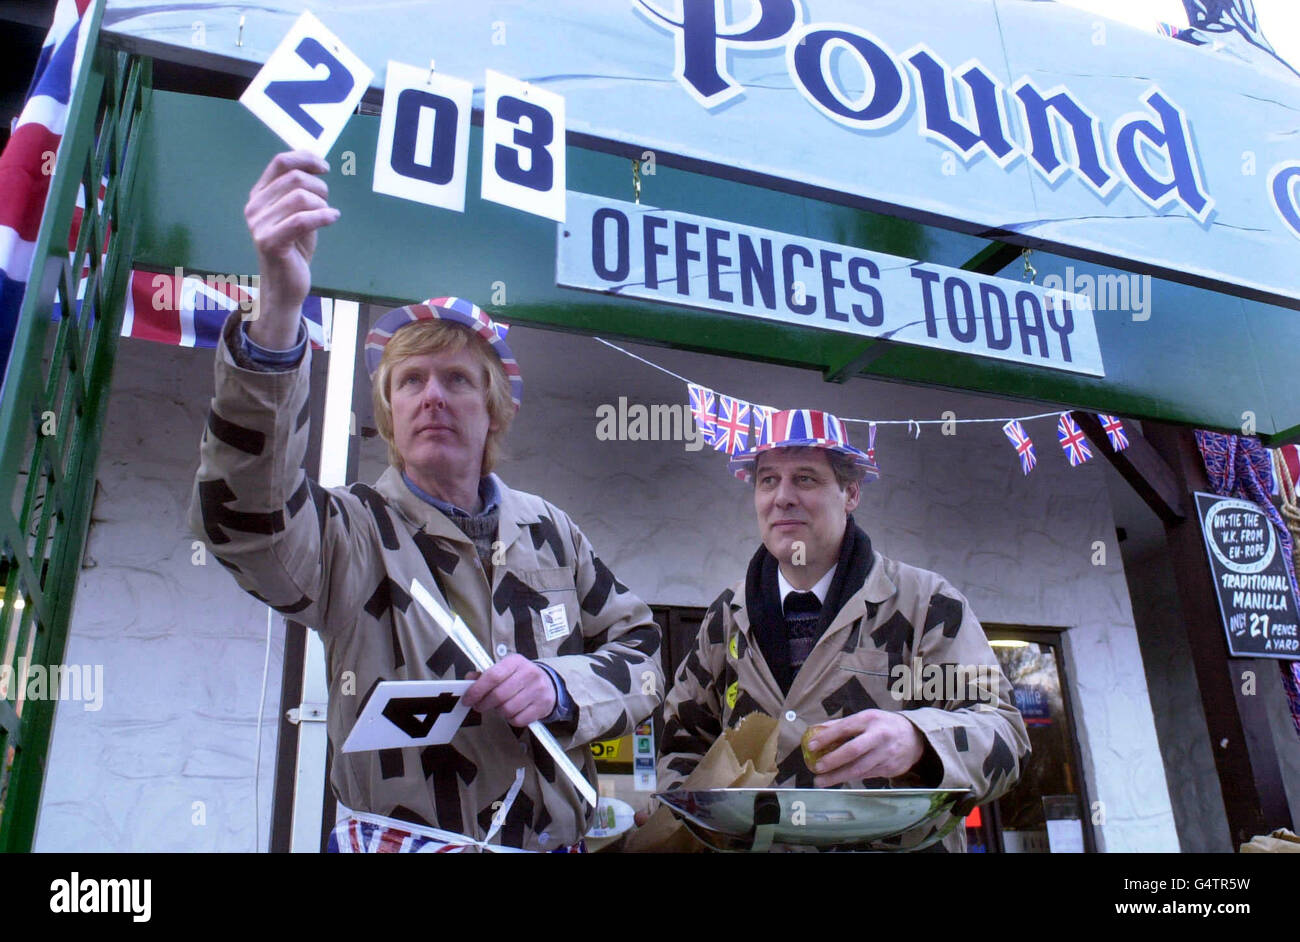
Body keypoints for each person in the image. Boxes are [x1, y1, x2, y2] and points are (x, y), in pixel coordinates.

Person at [189, 150, 663, 852]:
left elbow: (645, 650)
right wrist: (279, 313)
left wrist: (561, 687)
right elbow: (246, 525)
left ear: (494, 411)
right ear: (388, 414)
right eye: (409, 381)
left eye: (457, 380)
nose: (432, 395)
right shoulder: (346, 531)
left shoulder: (553, 533)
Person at [655, 409, 1029, 851]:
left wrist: (920, 741)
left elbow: (1005, 737)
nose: (782, 497)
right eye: (768, 480)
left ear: (851, 493)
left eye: (806, 479)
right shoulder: (725, 616)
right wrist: (686, 818)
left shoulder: (926, 602)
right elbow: (681, 743)